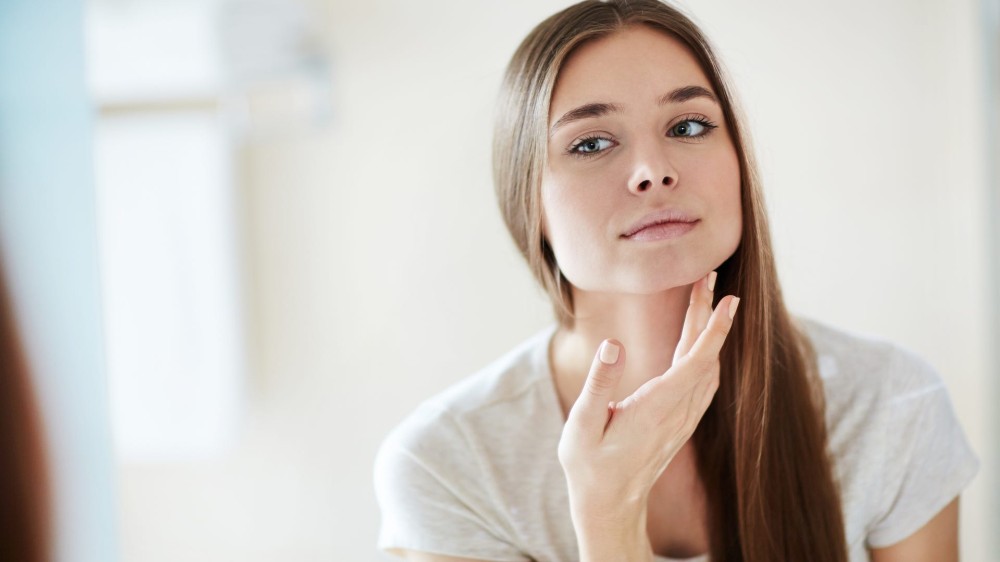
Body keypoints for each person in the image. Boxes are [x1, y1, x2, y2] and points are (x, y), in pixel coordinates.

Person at [373, 1, 980, 561]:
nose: (652, 172)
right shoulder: (448, 466)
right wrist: (608, 516)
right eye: (591, 142)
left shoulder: (890, 408)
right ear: (528, 204)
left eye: (687, 127)